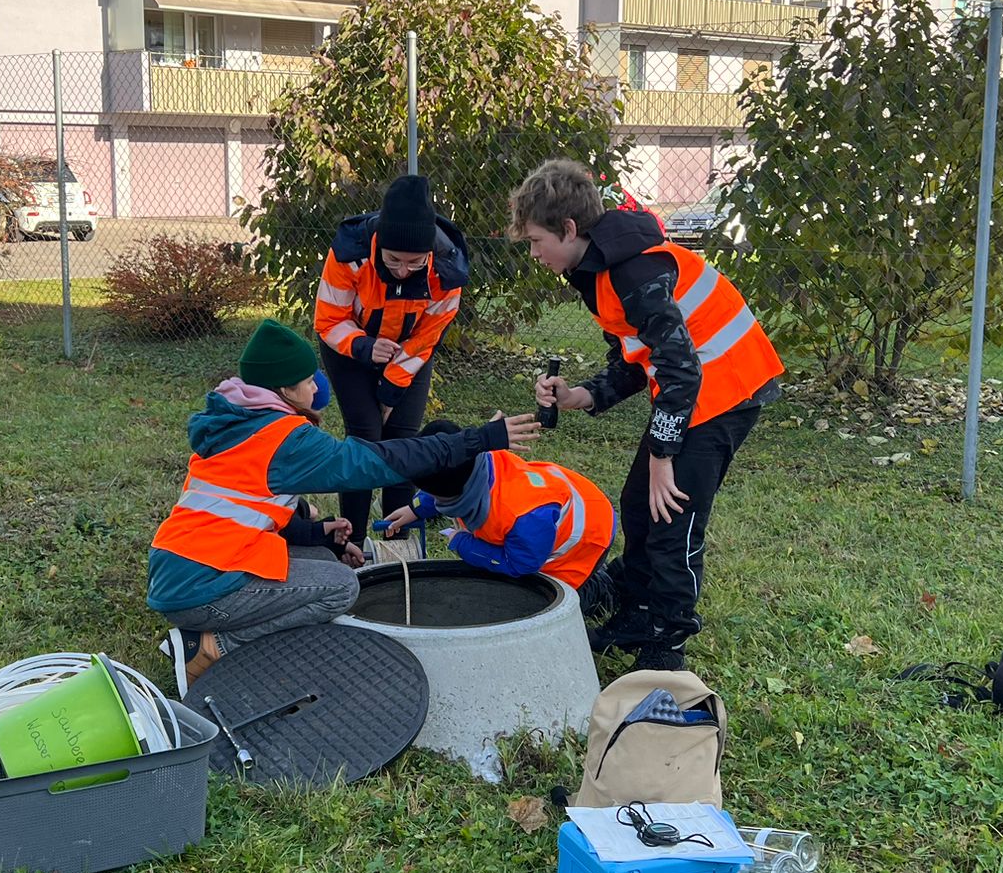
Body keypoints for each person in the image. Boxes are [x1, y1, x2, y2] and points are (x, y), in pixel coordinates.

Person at [149, 318, 537, 679]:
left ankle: (209, 628)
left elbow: (247, 507)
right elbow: (373, 463)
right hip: (200, 588)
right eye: (307, 381)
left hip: (186, 567)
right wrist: (477, 440)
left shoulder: (238, 421)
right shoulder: (284, 439)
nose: (316, 387)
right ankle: (210, 647)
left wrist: (319, 534)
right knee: (340, 587)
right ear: (285, 391)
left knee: (323, 560)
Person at [512, 158, 783, 672]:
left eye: (534, 241)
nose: (533, 254)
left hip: (728, 390)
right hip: (695, 389)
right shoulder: (595, 270)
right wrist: (579, 396)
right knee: (639, 503)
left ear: (568, 229)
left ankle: (668, 641)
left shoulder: (635, 269)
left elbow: (680, 370)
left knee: (671, 515)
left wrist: (664, 455)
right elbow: (638, 361)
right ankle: (636, 612)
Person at [312, 172, 469, 544]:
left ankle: (398, 543)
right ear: (379, 243)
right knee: (365, 437)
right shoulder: (350, 253)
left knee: (404, 441)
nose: (402, 270)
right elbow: (328, 320)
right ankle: (350, 541)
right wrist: (365, 347)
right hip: (349, 349)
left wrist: (390, 390)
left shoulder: (448, 271)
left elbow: (427, 338)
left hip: (411, 352)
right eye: (394, 259)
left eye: (414, 263)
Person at [378, 421, 617, 611]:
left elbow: (520, 565)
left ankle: (600, 591)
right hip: (550, 517)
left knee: (538, 601)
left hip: (587, 538)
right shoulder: (473, 464)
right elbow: (444, 480)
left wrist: (463, 543)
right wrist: (416, 508)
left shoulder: (522, 516)